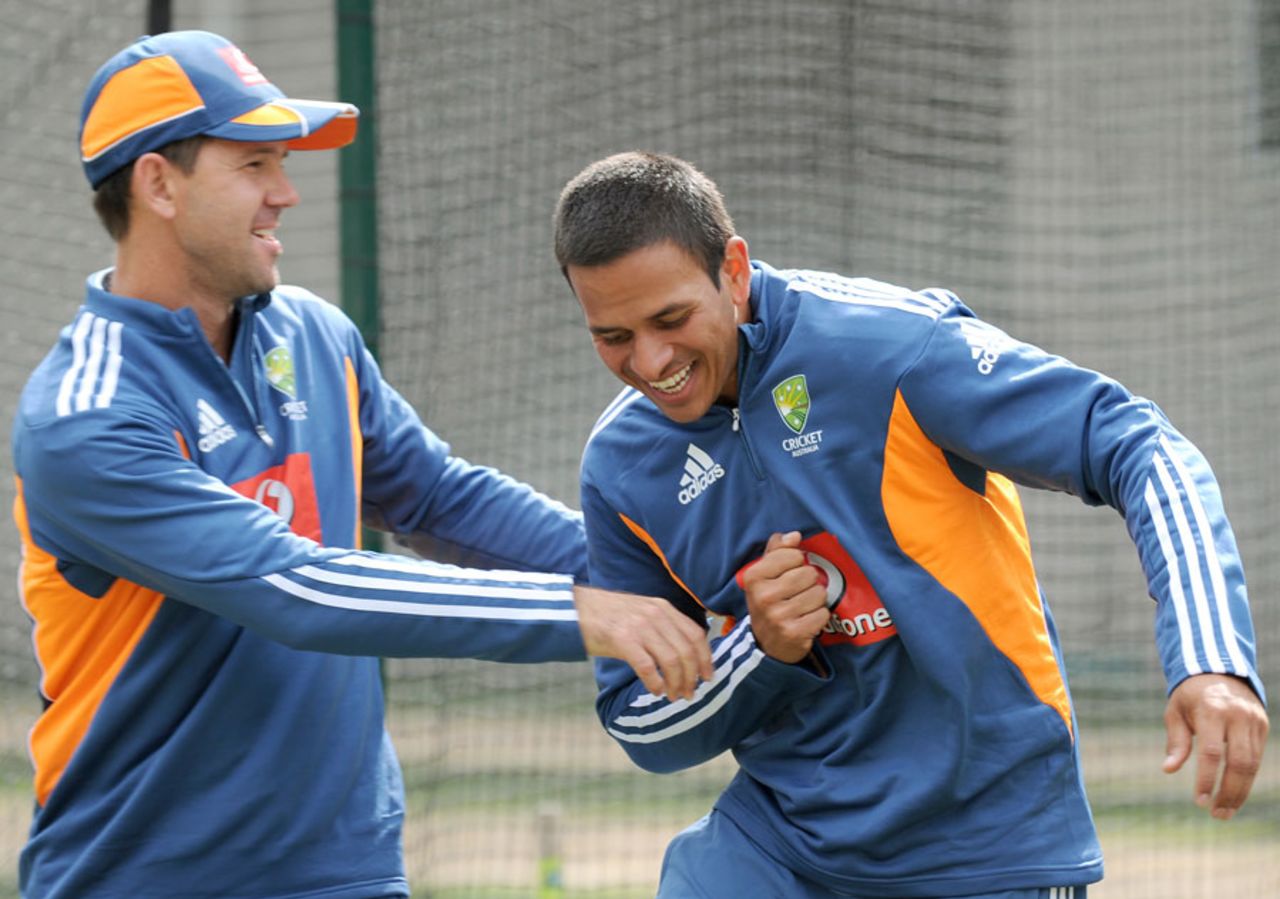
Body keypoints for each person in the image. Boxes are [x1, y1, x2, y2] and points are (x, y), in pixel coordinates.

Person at [11, 35, 713, 899]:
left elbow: (439, 499)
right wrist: (586, 613)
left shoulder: (313, 333)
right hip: (142, 877)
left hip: (348, 868)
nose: (286, 192)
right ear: (158, 184)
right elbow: (292, 586)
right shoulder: (85, 416)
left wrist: (668, 578)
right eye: (255, 164)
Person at [552, 151, 1269, 899]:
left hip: (990, 848)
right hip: (780, 847)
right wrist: (758, 650)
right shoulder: (621, 466)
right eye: (613, 336)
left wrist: (1210, 657)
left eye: (671, 319)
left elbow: (1139, 446)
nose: (652, 360)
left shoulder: (890, 348)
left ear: (733, 271)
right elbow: (642, 724)